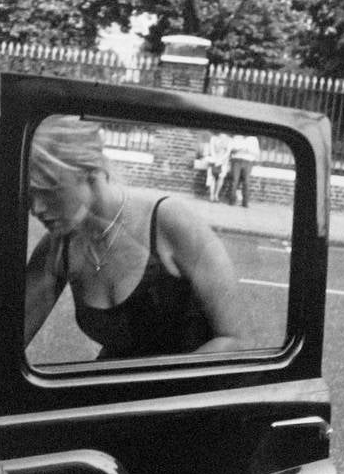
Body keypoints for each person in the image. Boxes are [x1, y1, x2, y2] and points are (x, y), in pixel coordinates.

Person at [24, 116, 251, 360]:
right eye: (29, 194)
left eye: (48, 191)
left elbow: (237, 341)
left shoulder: (170, 221)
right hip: (114, 389)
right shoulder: (58, 248)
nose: (36, 208)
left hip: (192, 393)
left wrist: (150, 391)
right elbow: (7, 338)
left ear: (90, 171)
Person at [227, 134, 260, 207]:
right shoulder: (236, 137)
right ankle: (232, 201)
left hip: (248, 161)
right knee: (234, 180)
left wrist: (249, 150)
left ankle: (245, 203)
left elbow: (257, 153)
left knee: (246, 182)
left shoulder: (253, 139)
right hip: (237, 160)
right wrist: (239, 149)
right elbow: (231, 150)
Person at [203, 131, 230, 202]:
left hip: (223, 162)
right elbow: (211, 149)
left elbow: (228, 152)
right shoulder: (214, 138)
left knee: (221, 178)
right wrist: (215, 159)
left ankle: (216, 195)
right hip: (214, 160)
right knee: (212, 177)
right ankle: (211, 195)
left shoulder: (229, 140)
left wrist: (220, 160)